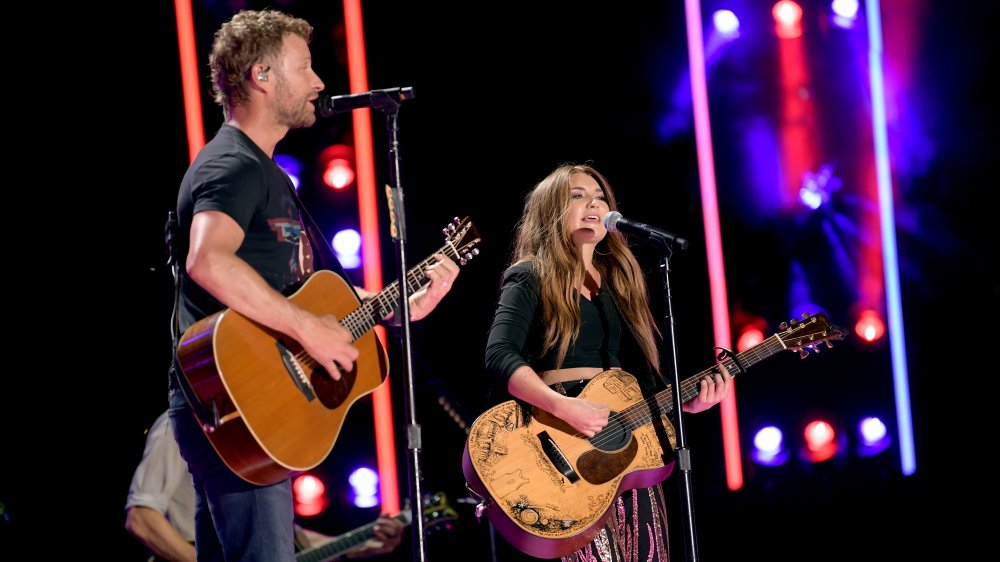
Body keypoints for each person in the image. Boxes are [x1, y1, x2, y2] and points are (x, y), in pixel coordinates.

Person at [168, 8, 459, 561]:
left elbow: (309, 300)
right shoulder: (232, 165)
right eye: (305, 67)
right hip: (237, 403)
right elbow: (208, 260)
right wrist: (308, 329)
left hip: (243, 410)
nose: (321, 83)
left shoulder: (270, 174)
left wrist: (400, 306)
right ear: (262, 76)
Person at [483, 163, 732, 561]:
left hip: (631, 451)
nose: (593, 204)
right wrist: (564, 406)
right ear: (551, 211)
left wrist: (687, 404)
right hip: (562, 435)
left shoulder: (620, 280)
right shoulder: (529, 276)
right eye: (578, 196)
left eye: (600, 197)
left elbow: (643, 381)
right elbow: (499, 357)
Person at [125, 411, 404, 562]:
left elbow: (284, 537)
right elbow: (141, 516)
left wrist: (363, 542)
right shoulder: (183, 424)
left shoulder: (265, 435)